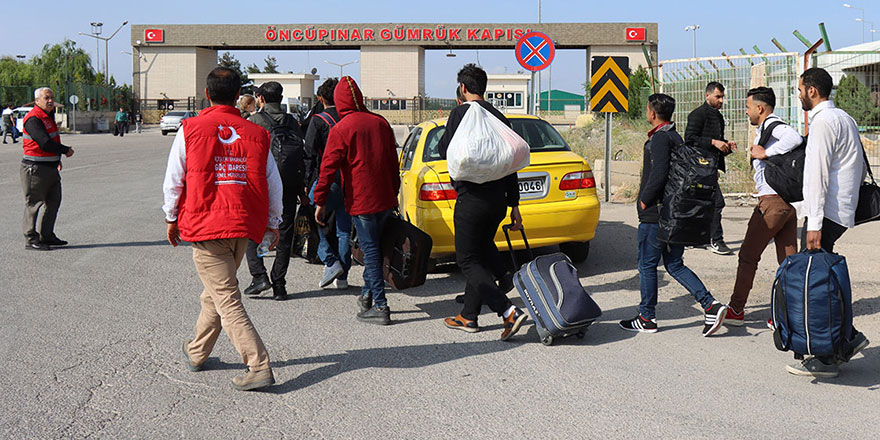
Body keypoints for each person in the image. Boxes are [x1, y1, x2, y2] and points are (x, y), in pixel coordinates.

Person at [163, 66, 282, 391]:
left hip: (206, 225)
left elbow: (175, 178)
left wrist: (171, 217)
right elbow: (273, 183)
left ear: (207, 94)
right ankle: (197, 351)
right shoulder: (256, 133)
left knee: (226, 298)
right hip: (241, 227)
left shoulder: (191, 129)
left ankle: (258, 365)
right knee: (214, 294)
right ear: (238, 96)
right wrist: (273, 224)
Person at [619, 93, 728, 336]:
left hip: (656, 213)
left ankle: (647, 317)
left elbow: (658, 173)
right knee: (674, 264)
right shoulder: (674, 136)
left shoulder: (659, 139)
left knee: (647, 265)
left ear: (651, 113)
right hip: (673, 211)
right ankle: (710, 305)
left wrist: (644, 201)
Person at [785, 67, 869, 378]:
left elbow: (816, 175)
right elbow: (859, 166)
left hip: (826, 213)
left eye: (800, 88)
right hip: (842, 209)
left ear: (811, 90)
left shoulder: (822, 123)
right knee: (826, 281)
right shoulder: (845, 118)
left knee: (820, 285)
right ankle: (843, 341)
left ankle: (831, 353)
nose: (798, 94)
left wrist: (814, 223)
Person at [437, 63, 528, 340]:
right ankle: (469, 315)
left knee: (467, 260)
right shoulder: (500, 117)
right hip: (498, 203)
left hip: (471, 201)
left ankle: (508, 311)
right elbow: (511, 166)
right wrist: (515, 206)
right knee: (480, 254)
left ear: (463, 89)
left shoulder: (459, 114)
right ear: (484, 88)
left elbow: (444, 149)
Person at [313, 76, 399, 325]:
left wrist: (320, 200)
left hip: (362, 200)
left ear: (339, 102)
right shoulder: (380, 122)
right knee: (377, 249)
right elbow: (393, 163)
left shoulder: (342, 127)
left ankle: (381, 306)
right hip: (384, 198)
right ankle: (366, 295)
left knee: (370, 251)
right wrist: (393, 193)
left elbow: (328, 169)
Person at [724, 87, 800, 326]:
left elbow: (795, 138)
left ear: (760, 108)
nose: (746, 112)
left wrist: (766, 152)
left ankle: (736, 310)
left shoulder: (774, 125)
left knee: (748, 256)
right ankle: (788, 315)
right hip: (786, 206)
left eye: (748, 107)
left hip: (772, 204)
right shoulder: (766, 129)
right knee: (789, 263)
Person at [241, 81, 305, 301]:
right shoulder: (292, 121)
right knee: (285, 233)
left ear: (261, 98)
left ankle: (259, 276)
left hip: (261, 185)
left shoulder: (255, 121)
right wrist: (301, 186)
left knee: (252, 230)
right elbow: (301, 154)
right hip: (288, 183)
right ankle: (280, 284)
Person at [304, 78, 351, 289]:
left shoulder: (318, 120)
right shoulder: (348, 118)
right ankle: (342, 278)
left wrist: (307, 183)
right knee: (344, 231)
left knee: (310, 219)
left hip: (326, 179)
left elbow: (309, 154)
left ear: (320, 98)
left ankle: (330, 261)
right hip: (348, 181)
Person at [685, 82, 736, 255]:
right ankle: (716, 239)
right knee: (716, 202)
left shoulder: (718, 117)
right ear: (707, 96)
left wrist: (726, 145)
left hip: (711, 168)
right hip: (699, 168)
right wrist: (713, 142)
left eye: (722, 97)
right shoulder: (697, 115)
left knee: (703, 202)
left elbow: (716, 142)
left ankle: (694, 237)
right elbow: (689, 140)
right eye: (718, 97)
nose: (721, 100)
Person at [20, 88, 74, 251]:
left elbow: (51, 140)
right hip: (35, 169)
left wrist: (57, 160)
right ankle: (30, 238)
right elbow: (44, 142)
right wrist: (65, 150)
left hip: (50, 167)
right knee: (34, 204)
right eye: (46, 98)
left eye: (52, 97)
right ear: (37, 101)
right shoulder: (33, 119)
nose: (50, 100)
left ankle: (47, 235)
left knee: (54, 201)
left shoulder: (47, 117)